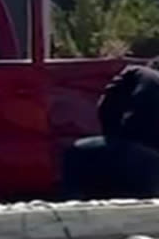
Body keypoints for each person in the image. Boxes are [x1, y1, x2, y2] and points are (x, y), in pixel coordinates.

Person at [62, 63, 159, 199]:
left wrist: (113, 137)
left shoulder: (134, 71)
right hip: (151, 157)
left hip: (128, 145)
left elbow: (106, 105)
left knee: (75, 154)